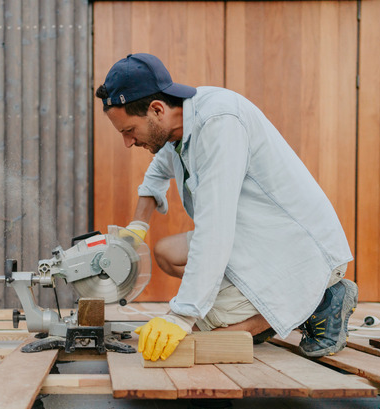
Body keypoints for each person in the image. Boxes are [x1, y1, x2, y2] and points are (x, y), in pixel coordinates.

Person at [95, 53, 358, 361]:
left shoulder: (219, 126)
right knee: (167, 254)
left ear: (156, 110)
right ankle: (253, 300)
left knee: (204, 326)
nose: (128, 142)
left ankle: (320, 300)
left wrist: (183, 315)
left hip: (297, 247)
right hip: (252, 238)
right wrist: (136, 229)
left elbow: (214, 232)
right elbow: (156, 173)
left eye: (129, 131)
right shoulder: (176, 128)